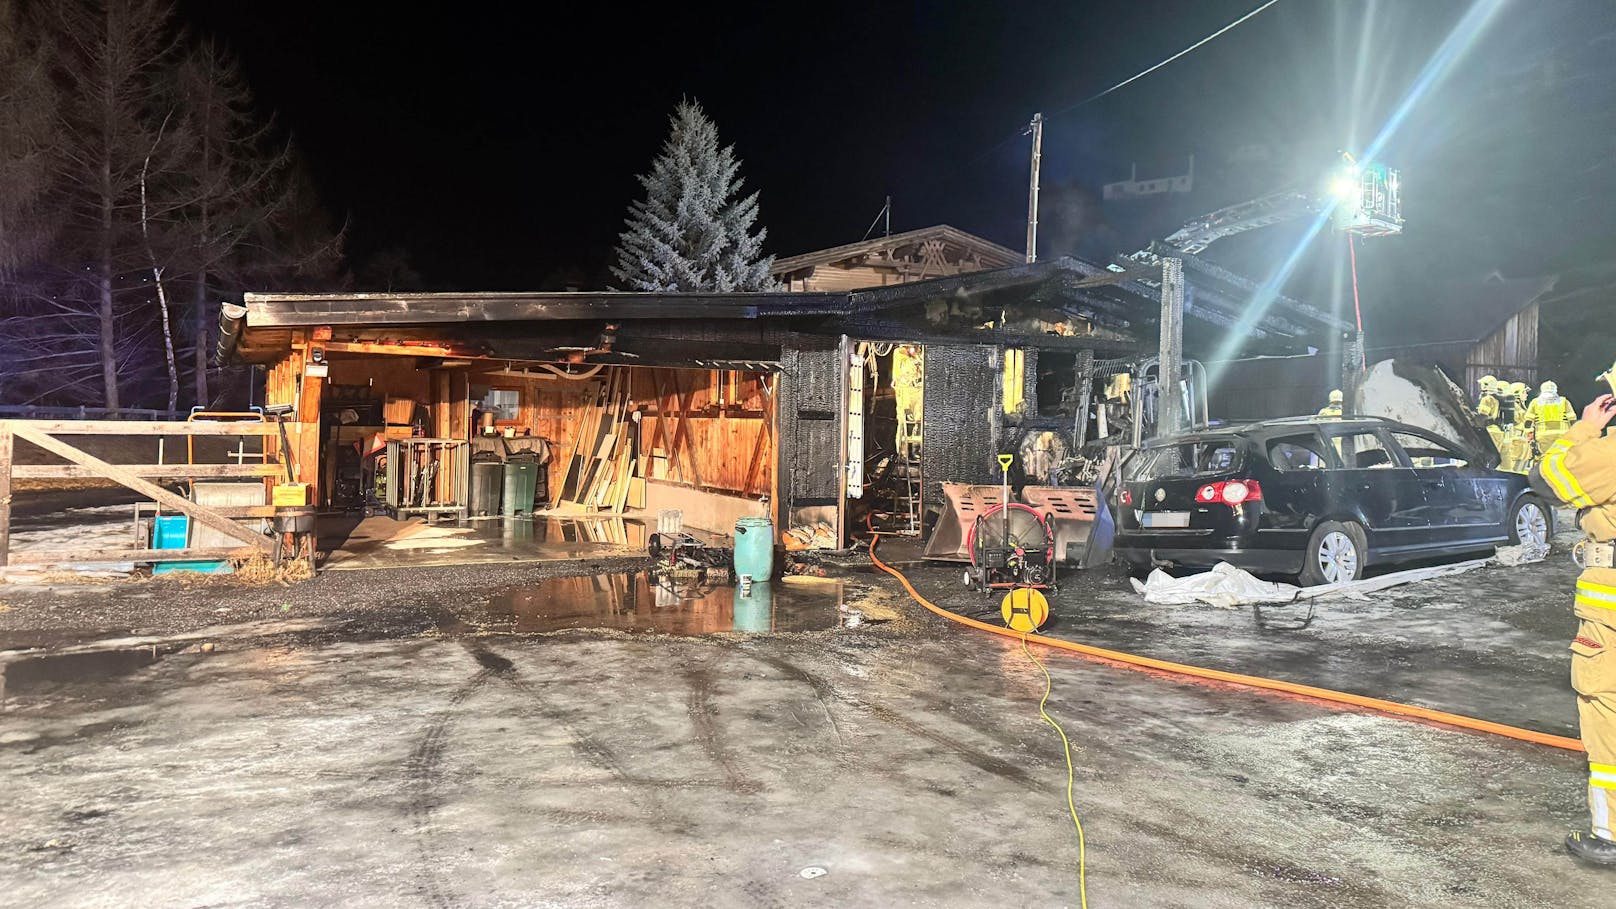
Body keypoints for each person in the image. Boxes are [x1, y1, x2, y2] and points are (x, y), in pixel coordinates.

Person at [1534, 363, 1616, 866]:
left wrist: (1586, 426)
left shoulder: (1608, 455)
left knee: (1606, 706)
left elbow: (1549, 474)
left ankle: (1609, 834)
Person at [1529, 380, 1577, 457]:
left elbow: (1529, 420)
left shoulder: (1535, 402)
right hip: (1562, 435)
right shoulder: (1564, 402)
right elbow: (1572, 419)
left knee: (1545, 457)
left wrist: (1529, 434)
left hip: (1543, 436)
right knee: (1561, 457)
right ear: (1555, 390)